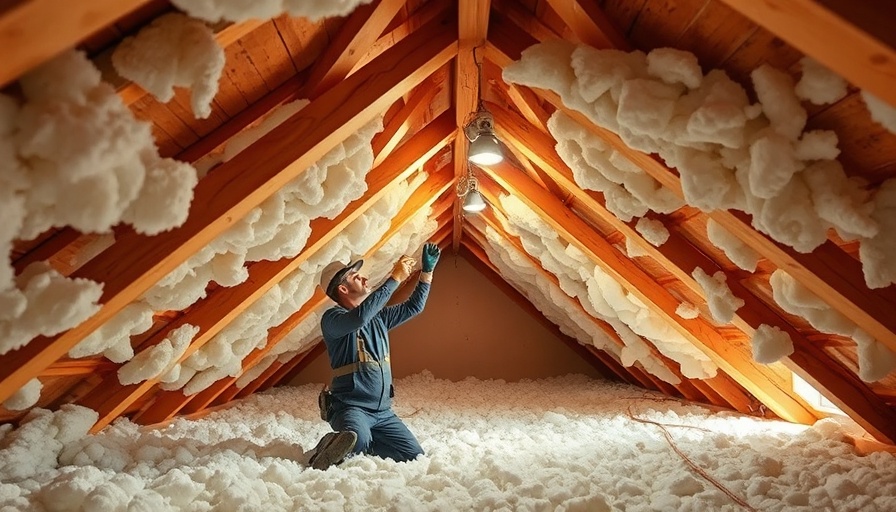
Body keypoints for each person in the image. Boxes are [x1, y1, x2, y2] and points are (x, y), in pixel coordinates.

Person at [306, 242, 441, 470]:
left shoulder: (378, 318)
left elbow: (413, 307)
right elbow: (359, 318)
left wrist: (427, 273)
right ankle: (345, 442)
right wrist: (394, 278)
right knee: (357, 440)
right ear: (343, 289)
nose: (365, 279)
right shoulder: (333, 320)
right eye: (357, 277)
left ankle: (348, 443)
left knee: (414, 455)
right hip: (351, 408)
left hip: (383, 412)